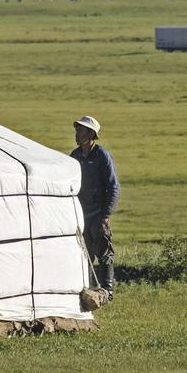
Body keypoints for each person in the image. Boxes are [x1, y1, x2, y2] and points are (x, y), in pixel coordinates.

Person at [69, 115, 119, 296]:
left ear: (91, 133)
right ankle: (88, 289)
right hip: (81, 214)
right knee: (85, 254)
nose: (77, 133)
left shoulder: (102, 155)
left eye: (80, 130)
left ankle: (108, 290)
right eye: (77, 129)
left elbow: (113, 185)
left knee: (104, 253)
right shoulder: (74, 156)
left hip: (98, 213)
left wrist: (106, 213)